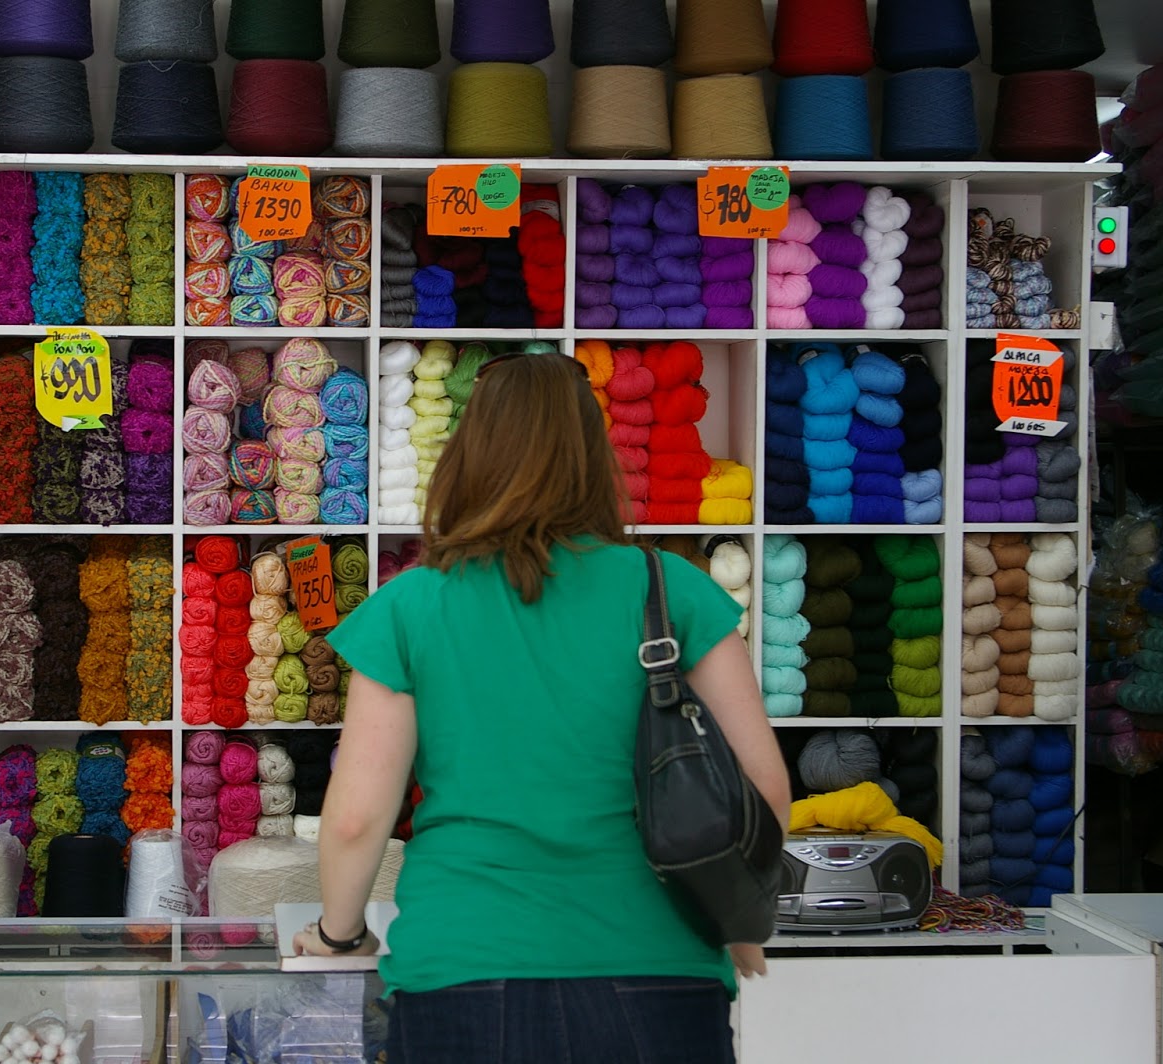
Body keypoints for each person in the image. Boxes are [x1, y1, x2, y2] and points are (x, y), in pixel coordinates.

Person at [291, 351, 791, 1063]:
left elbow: (355, 818)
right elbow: (762, 787)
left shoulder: (411, 604)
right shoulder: (670, 588)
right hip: (658, 964)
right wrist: (736, 920)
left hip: (463, 966)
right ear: (593, 456)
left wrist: (340, 935)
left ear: (471, 452)